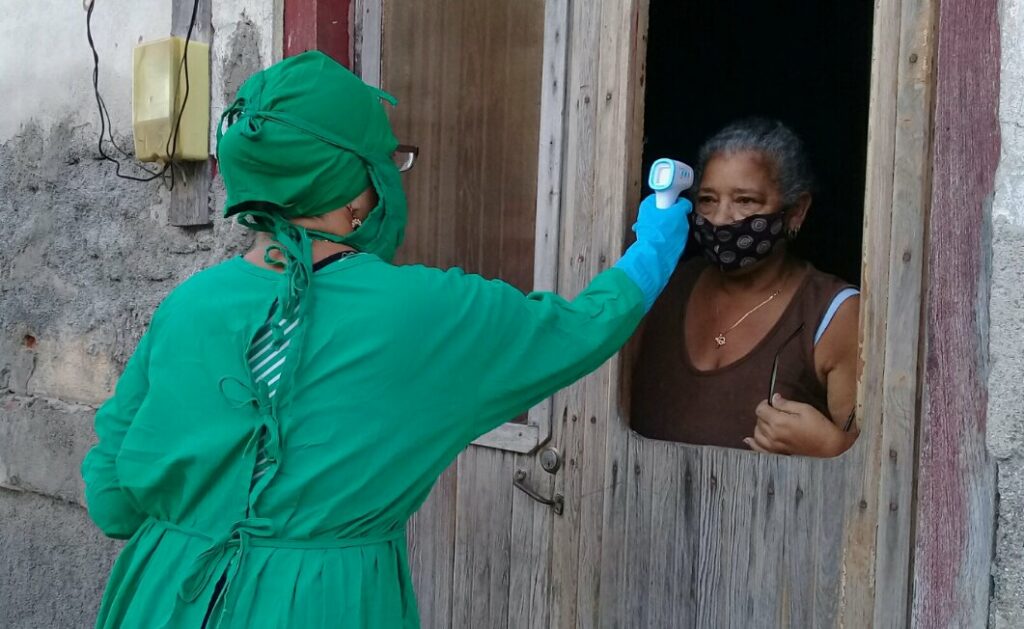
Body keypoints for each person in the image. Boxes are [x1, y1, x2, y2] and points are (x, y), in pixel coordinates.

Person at [80, 51, 692, 628]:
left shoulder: (185, 306)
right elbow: (583, 327)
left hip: (159, 595)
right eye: (387, 163)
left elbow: (111, 500)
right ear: (352, 194)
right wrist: (658, 239)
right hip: (321, 604)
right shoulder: (425, 314)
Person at [631, 118, 860, 458]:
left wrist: (830, 448)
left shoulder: (834, 314)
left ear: (796, 211)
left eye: (746, 201)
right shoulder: (663, 288)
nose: (721, 218)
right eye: (708, 199)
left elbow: (872, 465)